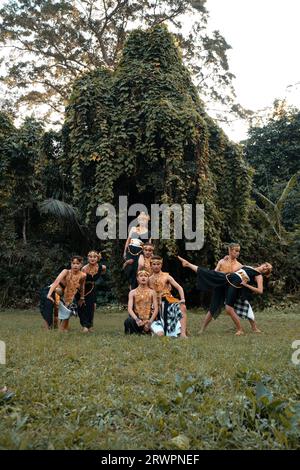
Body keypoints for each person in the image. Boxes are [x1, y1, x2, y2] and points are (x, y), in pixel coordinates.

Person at [178, 256, 272, 336]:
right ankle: (202, 329)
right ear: (263, 264)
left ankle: (240, 330)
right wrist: (225, 259)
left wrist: (246, 285)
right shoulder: (248, 267)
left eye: (267, 269)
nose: (265, 268)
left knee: (229, 308)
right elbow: (234, 267)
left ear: (266, 272)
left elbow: (260, 291)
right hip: (227, 279)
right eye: (266, 265)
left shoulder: (258, 276)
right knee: (209, 276)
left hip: (234, 286)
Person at [40, 256, 86, 331]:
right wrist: (49, 294)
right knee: (48, 308)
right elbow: (56, 282)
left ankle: (63, 328)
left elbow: (82, 287)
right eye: (73, 263)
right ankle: (47, 329)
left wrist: (82, 297)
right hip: (51, 290)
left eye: (77, 263)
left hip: (64, 294)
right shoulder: (66, 271)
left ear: (81, 264)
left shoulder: (83, 275)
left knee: (67, 309)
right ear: (71, 264)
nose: (75, 265)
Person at [149, 256, 187, 338]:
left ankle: (183, 333)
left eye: (158, 264)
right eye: (154, 264)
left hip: (168, 299)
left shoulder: (167, 276)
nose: (156, 266)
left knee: (182, 307)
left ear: (161, 265)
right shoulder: (148, 279)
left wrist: (183, 299)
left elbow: (179, 287)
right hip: (156, 302)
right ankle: (157, 329)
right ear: (151, 265)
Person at [78, 251, 106, 333]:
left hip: (92, 287)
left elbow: (103, 271)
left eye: (94, 257)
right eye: (90, 257)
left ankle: (89, 326)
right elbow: (82, 283)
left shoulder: (102, 267)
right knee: (82, 306)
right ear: (88, 258)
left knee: (92, 306)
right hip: (82, 288)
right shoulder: (84, 268)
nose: (92, 258)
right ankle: (84, 326)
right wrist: (82, 296)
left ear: (98, 258)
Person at [123, 212, 151, 289]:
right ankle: (131, 286)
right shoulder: (133, 229)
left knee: (140, 265)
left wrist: (150, 257)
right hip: (131, 249)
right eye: (140, 219)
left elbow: (149, 246)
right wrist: (125, 252)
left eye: (144, 220)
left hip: (140, 251)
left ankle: (137, 282)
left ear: (147, 221)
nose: (142, 221)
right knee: (130, 268)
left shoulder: (149, 233)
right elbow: (128, 240)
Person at [124, 270, 158, 334]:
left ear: (148, 278)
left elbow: (156, 309)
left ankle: (146, 329)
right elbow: (129, 309)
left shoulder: (152, 292)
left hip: (149, 319)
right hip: (137, 319)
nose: (143, 278)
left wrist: (150, 322)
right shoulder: (132, 292)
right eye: (141, 276)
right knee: (128, 321)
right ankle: (139, 331)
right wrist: (137, 320)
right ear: (137, 278)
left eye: (145, 276)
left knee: (159, 333)